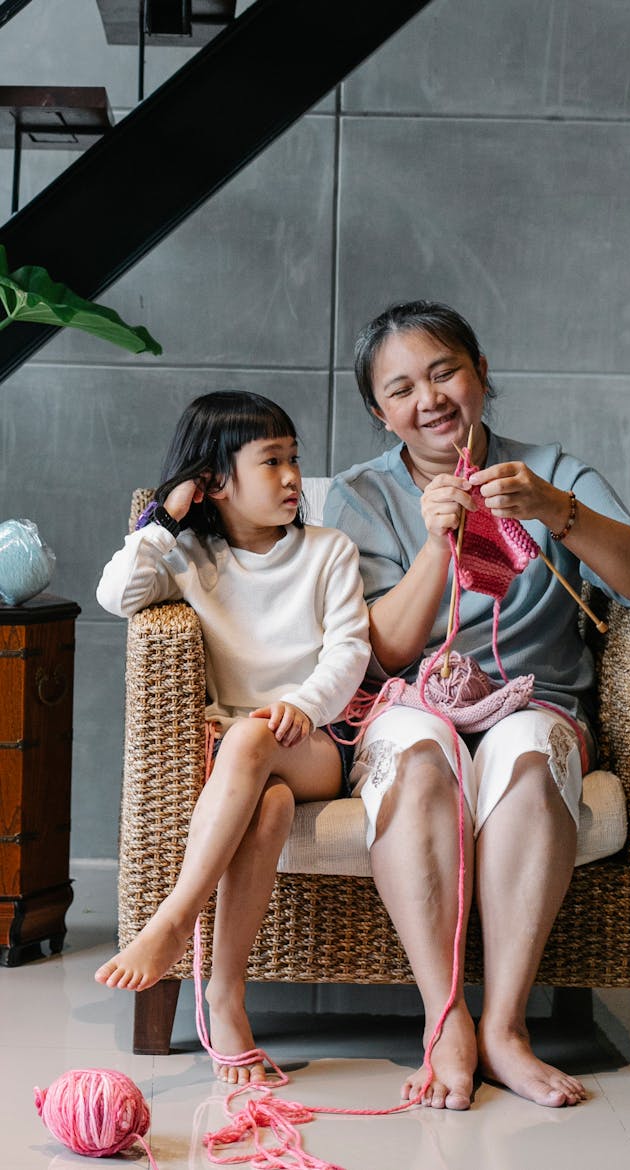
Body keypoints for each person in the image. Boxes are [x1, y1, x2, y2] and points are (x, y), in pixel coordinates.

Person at [323, 301, 630, 1111]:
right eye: (402, 388)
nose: (431, 399)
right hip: (414, 700)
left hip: (534, 700)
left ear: (480, 372)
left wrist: (557, 511)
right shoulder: (359, 496)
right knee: (417, 746)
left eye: (444, 371)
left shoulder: (552, 469)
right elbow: (379, 653)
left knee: (523, 748)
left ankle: (508, 1028)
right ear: (380, 412)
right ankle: (445, 1018)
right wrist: (434, 545)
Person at [95, 390, 370, 1084]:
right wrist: (164, 519)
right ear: (216, 482)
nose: (291, 479)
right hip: (245, 757)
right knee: (268, 806)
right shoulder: (189, 558)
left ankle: (170, 924)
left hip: (317, 741)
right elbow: (116, 596)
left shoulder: (327, 552)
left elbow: (350, 651)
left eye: (294, 460)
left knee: (253, 742)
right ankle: (225, 992)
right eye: (271, 462)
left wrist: (303, 707)